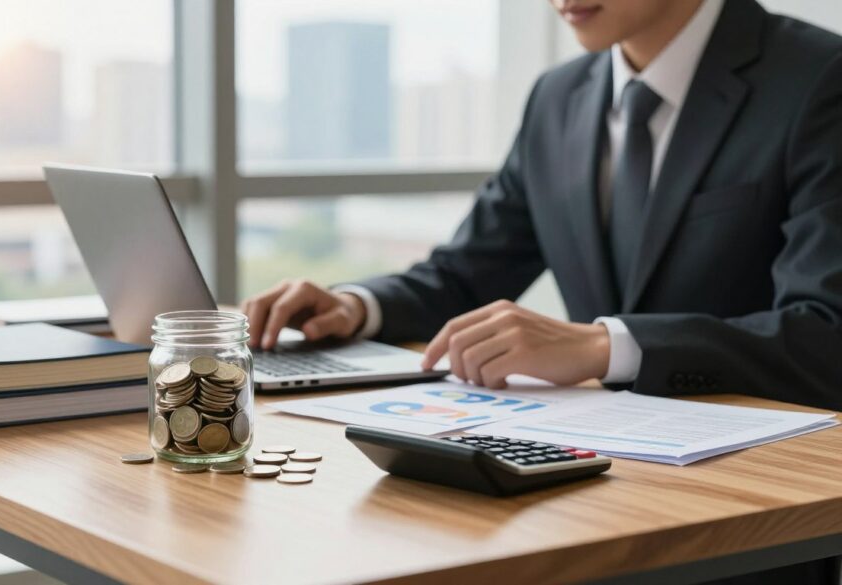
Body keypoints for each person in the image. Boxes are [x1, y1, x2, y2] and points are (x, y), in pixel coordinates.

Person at [246, 1, 842, 581]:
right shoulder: (558, 97)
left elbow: (826, 331)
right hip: (589, 495)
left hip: (751, 516)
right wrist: (354, 306)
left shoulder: (818, 77)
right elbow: (467, 272)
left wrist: (603, 345)